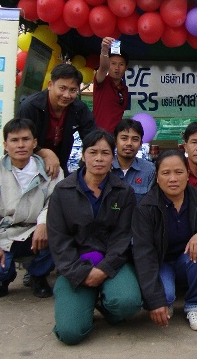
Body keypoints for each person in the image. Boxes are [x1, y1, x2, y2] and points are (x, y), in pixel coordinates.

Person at [47, 129, 142, 345]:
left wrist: (103, 270)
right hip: (75, 265)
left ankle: (107, 306)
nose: (99, 158)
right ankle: (82, 305)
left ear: (112, 157)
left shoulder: (123, 191)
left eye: (105, 153)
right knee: (70, 333)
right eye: (93, 152)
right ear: (83, 155)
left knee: (128, 303)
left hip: (113, 262)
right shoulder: (63, 191)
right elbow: (59, 241)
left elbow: (123, 237)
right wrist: (81, 273)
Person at [132, 149, 197, 331]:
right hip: (161, 263)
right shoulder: (146, 208)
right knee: (164, 297)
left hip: (188, 260)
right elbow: (143, 254)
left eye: (179, 172)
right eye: (166, 173)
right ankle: (167, 300)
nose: (173, 179)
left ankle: (196, 305)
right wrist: (155, 300)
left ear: (188, 174)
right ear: (157, 177)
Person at [0, 118, 61, 299]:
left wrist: (43, 223)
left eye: (26, 139)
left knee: (59, 236)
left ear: (34, 143)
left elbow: (54, 204)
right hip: (4, 233)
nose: (20, 145)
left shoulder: (51, 170)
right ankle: (4, 277)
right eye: (14, 140)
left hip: (36, 230)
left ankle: (38, 275)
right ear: (5, 145)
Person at [17, 63, 96, 177]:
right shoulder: (30, 107)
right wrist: (43, 152)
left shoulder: (79, 109)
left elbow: (92, 138)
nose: (67, 95)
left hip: (60, 167)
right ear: (50, 85)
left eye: (73, 90)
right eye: (62, 88)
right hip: (27, 167)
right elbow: (19, 140)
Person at [111, 118, 155, 202]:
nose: (129, 143)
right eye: (124, 138)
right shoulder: (105, 167)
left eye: (135, 139)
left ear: (140, 144)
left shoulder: (149, 170)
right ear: (115, 141)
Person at [93, 37, 129, 133]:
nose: (117, 68)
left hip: (116, 137)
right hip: (99, 135)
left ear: (126, 67)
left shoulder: (124, 89)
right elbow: (103, 67)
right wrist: (104, 50)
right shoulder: (102, 81)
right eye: (113, 63)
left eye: (121, 64)